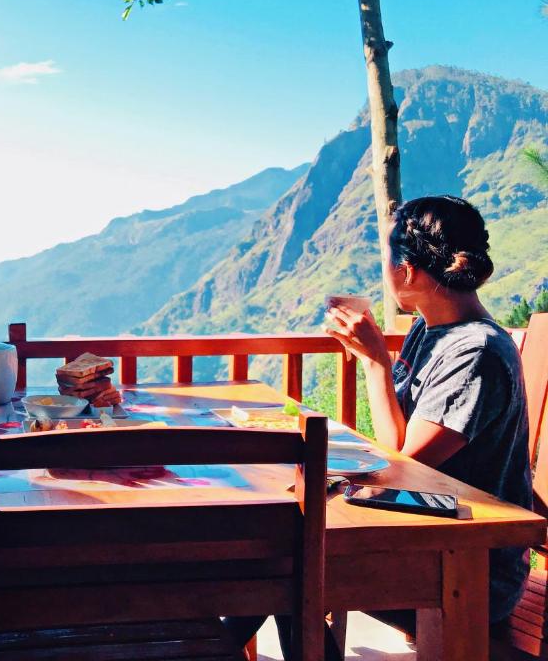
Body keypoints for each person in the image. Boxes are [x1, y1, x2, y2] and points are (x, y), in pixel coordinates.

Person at [224, 195, 532, 657]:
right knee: (281, 554)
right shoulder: (429, 330)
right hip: (420, 528)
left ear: (407, 272)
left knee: (287, 565)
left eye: (387, 258)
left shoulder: (478, 353)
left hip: (469, 561)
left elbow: (407, 462)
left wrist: (374, 363)